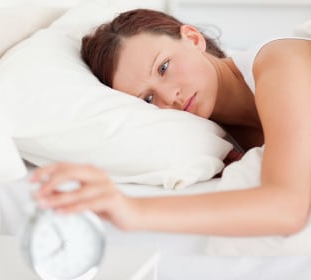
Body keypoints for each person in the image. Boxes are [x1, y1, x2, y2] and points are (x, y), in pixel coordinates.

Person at [31, 9, 311, 236]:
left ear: (192, 38)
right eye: (148, 99)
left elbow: (287, 208)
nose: (169, 97)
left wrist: (133, 210)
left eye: (163, 67)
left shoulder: (280, 62)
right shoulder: (217, 143)